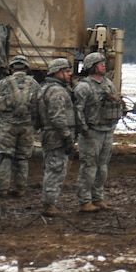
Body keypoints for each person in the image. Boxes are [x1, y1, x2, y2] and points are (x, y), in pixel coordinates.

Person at [74, 51, 123, 213]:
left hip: (107, 130)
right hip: (91, 132)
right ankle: (85, 200)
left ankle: (98, 198)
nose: (104, 65)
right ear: (92, 67)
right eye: (100, 63)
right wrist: (84, 129)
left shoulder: (108, 84)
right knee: (89, 167)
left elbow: (117, 104)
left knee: (102, 168)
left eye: (103, 62)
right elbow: (77, 111)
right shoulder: (83, 87)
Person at [37, 57, 79, 218]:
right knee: (55, 169)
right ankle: (49, 204)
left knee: (54, 168)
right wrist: (68, 137)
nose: (70, 74)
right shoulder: (57, 91)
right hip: (56, 136)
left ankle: (50, 201)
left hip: (51, 134)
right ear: (57, 72)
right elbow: (57, 117)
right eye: (66, 71)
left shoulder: (46, 88)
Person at [0, 57, 40, 197]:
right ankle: (20, 188)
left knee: (5, 156)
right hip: (27, 126)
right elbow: (39, 105)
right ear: (26, 68)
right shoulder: (34, 84)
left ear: (12, 68)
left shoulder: (3, 83)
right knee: (22, 158)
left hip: (8, 126)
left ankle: (3, 189)